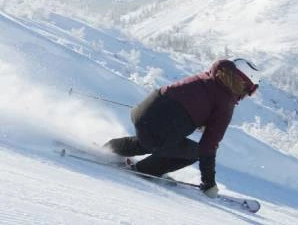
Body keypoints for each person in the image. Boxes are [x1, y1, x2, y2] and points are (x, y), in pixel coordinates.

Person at [104, 58, 260, 198]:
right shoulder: (225, 102)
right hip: (160, 129)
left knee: (149, 139)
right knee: (192, 152)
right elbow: (208, 147)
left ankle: (109, 148)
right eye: (250, 91)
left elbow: (190, 100)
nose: (246, 96)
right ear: (244, 84)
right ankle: (144, 170)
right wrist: (209, 183)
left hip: (143, 111)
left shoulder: (209, 77)